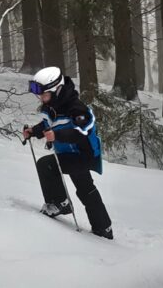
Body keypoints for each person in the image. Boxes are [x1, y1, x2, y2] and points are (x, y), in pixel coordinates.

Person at [23, 67, 113, 239]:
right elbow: (47, 125)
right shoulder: (51, 108)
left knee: (47, 165)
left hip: (83, 155)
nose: (41, 98)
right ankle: (104, 229)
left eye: (44, 94)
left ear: (56, 90)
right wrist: (33, 131)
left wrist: (57, 135)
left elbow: (82, 133)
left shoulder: (77, 108)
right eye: (39, 94)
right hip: (68, 154)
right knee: (85, 188)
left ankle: (60, 203)